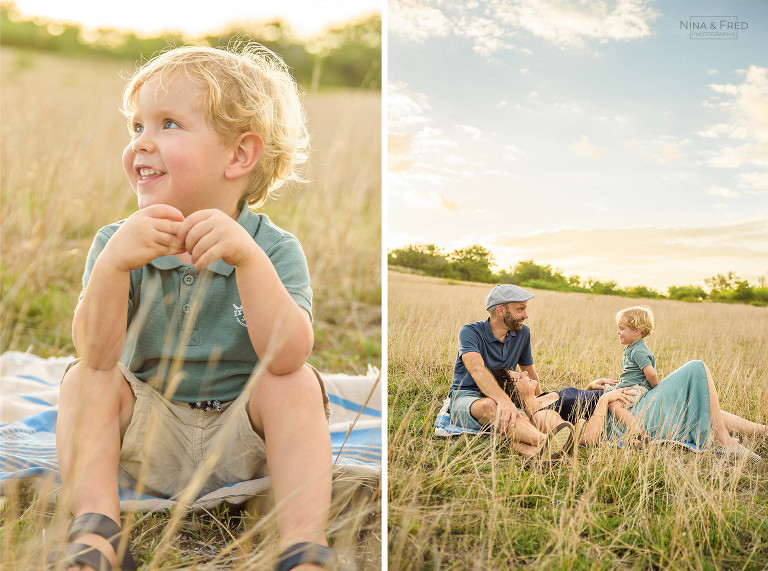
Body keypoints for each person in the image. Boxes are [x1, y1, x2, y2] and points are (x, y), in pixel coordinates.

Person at [54, 45, 335, 571]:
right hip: (147, 437)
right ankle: (98, 531)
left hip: (242, 439)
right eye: (136, 127)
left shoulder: (272, 250)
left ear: (238, 156)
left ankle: (302, 546)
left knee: (297, 384)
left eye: (168, 125)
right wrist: (114, 267)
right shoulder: (118, 242)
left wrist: (248, 262)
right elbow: (96, 353)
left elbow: (288, 356)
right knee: (82, 379)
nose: (141, 144)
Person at [493, 362, 765, 461]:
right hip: (625, 422)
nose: (526, 375)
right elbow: (586, 438)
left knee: (703, 405)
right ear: (513, 391)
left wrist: (592, 387)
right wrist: (605, 399)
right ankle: (724, 442)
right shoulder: (540, 415)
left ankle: (763, 432)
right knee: (696, 368)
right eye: (519, 377)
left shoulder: (544, 396)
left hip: (622, 406)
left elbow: (577, 404)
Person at [446, 284, 575, 461]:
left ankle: (538, 457)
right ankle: (548, 441)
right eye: (520, 309)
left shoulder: (523, 333)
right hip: (467, 396)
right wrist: (504, 401)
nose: (525, 315)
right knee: (494, 407)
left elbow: (528, 370)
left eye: (525, 309)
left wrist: (536, 404)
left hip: (507, 396)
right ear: (500, 310)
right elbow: (476, 369)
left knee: (517, 421)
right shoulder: (470, 332)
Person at [605, 306, 659, 443]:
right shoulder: (633, 347)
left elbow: (651, 374)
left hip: (637, 388)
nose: (618, 332)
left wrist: (655, 389)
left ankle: (639, 434)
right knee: (602, 390)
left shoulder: (639, 351)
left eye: (622, 329)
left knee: (614, 406)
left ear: (637, 331)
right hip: (628, 385)